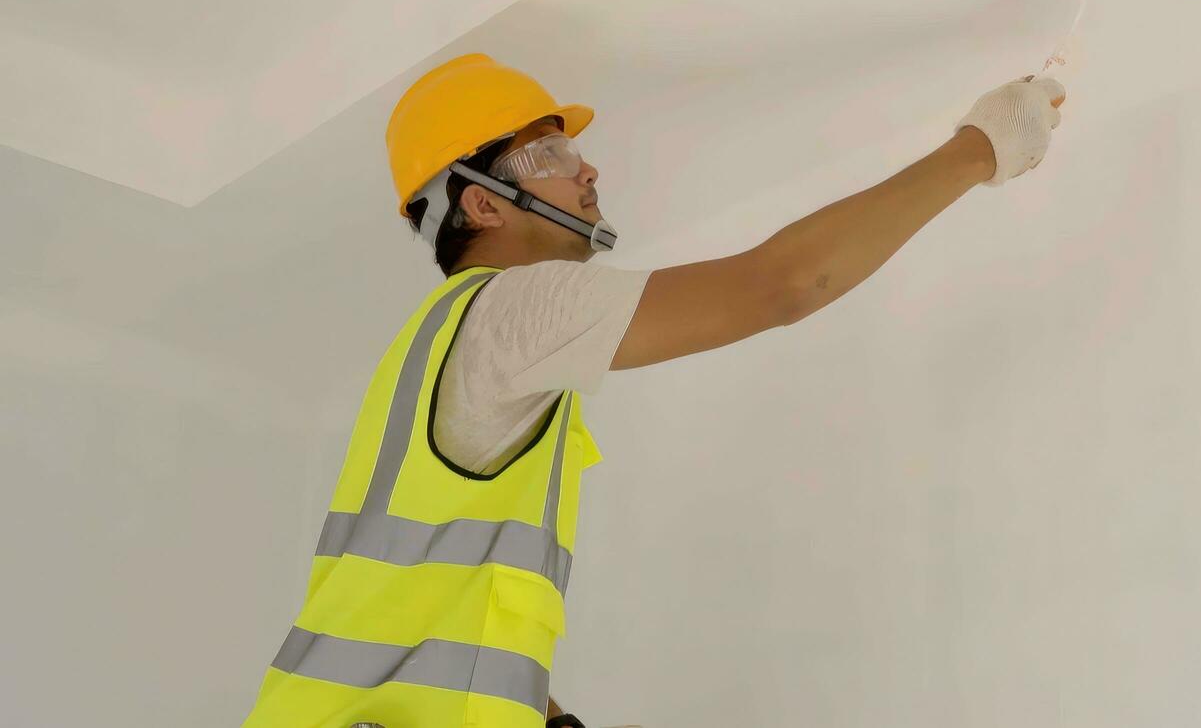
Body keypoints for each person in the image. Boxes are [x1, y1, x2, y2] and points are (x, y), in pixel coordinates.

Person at [241, 52, 1067, 727]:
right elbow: (785, 284)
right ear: (482, 206)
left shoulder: (454, 347)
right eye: (549, 155)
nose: (586, 168)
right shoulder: (510, 311)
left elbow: (437, 615)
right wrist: (980, 148)